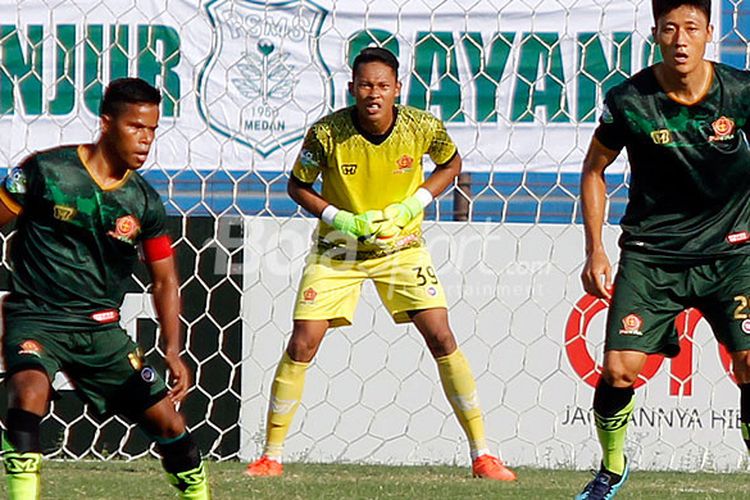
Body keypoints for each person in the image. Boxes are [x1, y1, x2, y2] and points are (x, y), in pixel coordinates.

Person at [245, 47, 516, 481]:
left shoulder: (421, 126)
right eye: (366, 85)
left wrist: (414, 204)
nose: (374, 94)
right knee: (303, 342)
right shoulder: (327, 133)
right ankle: (270, 456)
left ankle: (483, 454)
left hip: (401, 247)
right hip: (339, 250)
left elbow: (451, 164)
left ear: (397, 90)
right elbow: (298, 185)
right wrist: (340, 218)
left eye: (383, 86)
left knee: (442, 336)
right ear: (352, 88)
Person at [0, 78, 210, 499]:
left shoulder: (144, 203)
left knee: (169, 423)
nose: (146, 140)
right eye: (136, 127)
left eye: (152, 130)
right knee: (29, 391)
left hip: (101, 331)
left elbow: (165, 278)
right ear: (106, 122)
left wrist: (173, 348)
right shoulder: (45, 171)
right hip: (38, 319)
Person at [576, 0, 750, 498]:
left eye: (690, 28)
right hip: (653, 256)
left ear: (708, 33)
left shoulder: (740, 92)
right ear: (655, 33)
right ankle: (611, 469)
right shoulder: (630, 99)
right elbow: (594, 170)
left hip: (732, 253)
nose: (680, 39)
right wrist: (596, 250)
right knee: (618, 371)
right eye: (669, 28)